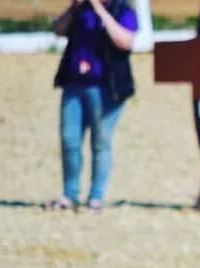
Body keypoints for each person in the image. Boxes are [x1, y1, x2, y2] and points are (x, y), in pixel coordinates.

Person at [45, 0, 137, 212]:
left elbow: (125, 41)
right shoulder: (79, 11)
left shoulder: (122, 10)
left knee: (100, 141)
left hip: (107, 88)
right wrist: (72, 8)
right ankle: (70, 194)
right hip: (74, 84)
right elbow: (58, 30)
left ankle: (96, 196)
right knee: (70, 139)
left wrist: (100, 10)